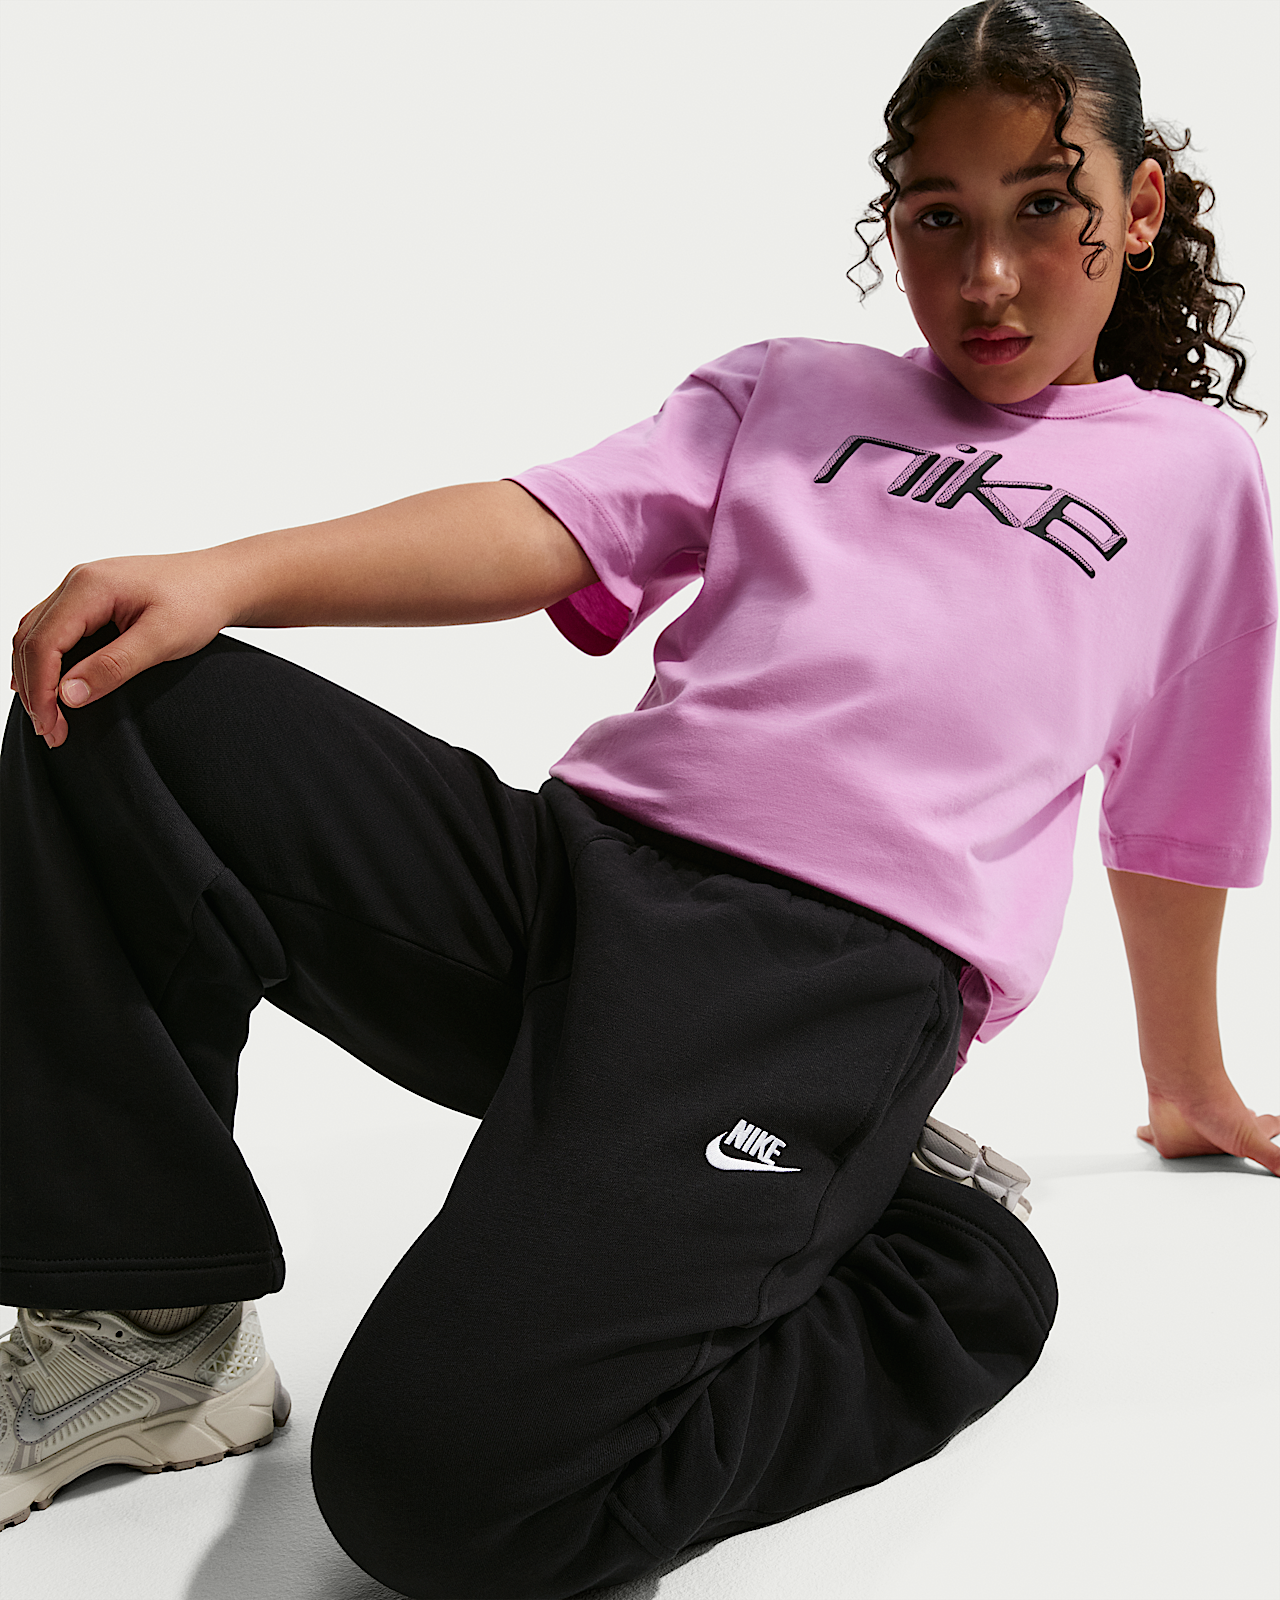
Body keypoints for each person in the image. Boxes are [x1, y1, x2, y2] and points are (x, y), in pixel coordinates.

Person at [1, 0, 1276, 1594]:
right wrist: (221, 577)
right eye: (940, 219)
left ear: (1138, 208)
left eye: (1043, 207)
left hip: (813, 991)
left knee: (430, 1495)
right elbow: (545, 523)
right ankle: (146, 1326)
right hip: (577, 883)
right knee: (117, 698)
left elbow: (1176, 809)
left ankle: (923, 1257)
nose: (990, 277)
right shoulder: (792, 389)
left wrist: (1188, 1082)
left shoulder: (1194, 475)